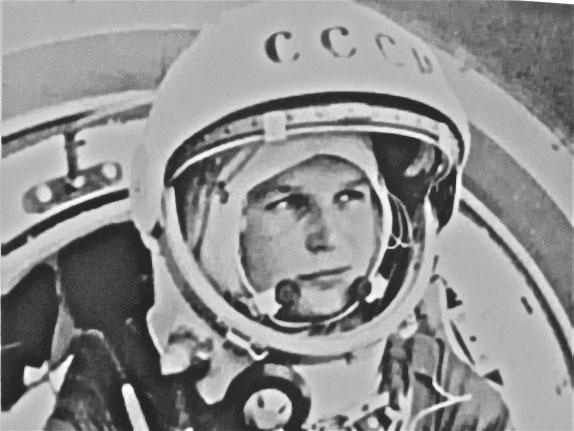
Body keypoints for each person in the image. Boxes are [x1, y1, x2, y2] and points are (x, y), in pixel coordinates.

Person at [46, 2, 511, 430]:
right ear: (209, 228)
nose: (328, 238)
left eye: (350, 197)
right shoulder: (122, 385)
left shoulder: (443, 395)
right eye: (288, 203)